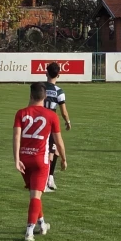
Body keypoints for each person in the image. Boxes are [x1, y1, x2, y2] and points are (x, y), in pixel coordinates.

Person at [14, 82, 67, 241]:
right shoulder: (51, 116)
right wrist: (64, 159)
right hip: (40, 160)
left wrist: (16, 159)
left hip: (24, 159)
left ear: (30, 96)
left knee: (34, 194)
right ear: (44, 97)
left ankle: (42, 224)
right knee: (35, 196)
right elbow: (58, 141)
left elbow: (17, 136)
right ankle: (29, 230)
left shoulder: (21, 113)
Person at [41, 61, 73, 191]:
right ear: (58, 75)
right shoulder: (59, 91)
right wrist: (68, 122)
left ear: (46, 73)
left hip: (39, 120)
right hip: (51, 122)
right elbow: (64, 112)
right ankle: (48, 178)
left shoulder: (40, 87)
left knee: (49, 150)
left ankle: (48, 177)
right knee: (53, 150)